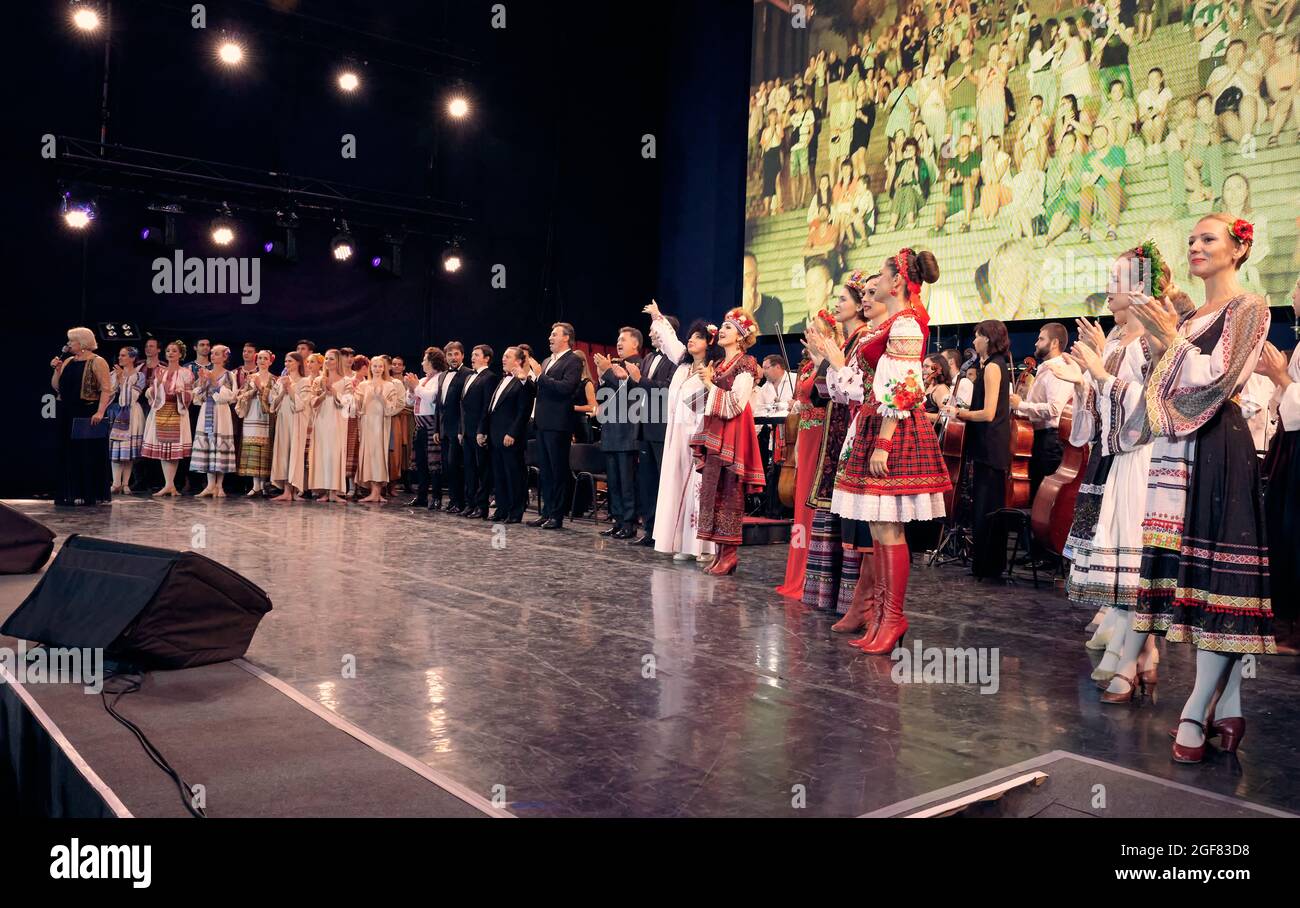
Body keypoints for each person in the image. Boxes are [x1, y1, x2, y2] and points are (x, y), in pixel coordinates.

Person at [1117, 214, 1273, 763]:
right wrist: (1165, 336)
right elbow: (1168, 380)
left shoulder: (1249, 307)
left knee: (1219, 579)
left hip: (1218, 448)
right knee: (1199, 582)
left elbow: (1222, 376)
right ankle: (1228, 710)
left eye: (1208, 239)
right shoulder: (1192, 313)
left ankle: (1196, 705)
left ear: (1238, 249)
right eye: (1191, 240)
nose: (1197, 247)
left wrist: (1171, 339)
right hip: (1178, 453)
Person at [1059, 244, 1192, 679]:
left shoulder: (1152, 342)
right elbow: (1102, 411)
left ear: (1138, 288)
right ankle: (1126, 639)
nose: (1108, 290)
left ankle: (1135, 645)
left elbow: (1154, 408)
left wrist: (1099, 376)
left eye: (1116, 281)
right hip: (1123, 455)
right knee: (1118, 546)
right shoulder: (1123, 341)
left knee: (1134, 552)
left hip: (1144, 456)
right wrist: (1088, 380)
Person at [824, 249, 950, 654]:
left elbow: (905, 388)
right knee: (879, 527)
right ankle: (880, 615)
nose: (875, 281)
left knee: (889, 526)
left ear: (897, 281)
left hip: (892, 430)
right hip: (878, 422)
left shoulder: (907, 325)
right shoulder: (896, 321)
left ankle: (892, 617)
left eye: (881, 274)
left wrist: (883, 442)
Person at [690, 308, 766, 575]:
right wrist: (704, 386)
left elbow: (736, 403)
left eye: (729, 327)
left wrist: (710, 385)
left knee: (730, 490)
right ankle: (719, 552)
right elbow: (710, 397)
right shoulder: (720, 364)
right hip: (716, 431)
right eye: (722, 326)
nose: (722, 330)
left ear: (741, 336)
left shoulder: (746, 363)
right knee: (714, 490)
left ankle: (730, 553)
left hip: (732, 433)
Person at [644, 305, 721, 563]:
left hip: (698, 434)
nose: (691, 339)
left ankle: (703, 547)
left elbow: (710, 403)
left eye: (698, 336)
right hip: (675, 434)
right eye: (690, 336)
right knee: (676, 485)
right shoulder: (681, 365)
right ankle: (681, 542)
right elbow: (669, 340)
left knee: (697, 489)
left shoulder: (713, 372)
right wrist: (658, 316)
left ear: (710, 342)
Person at [776, 309, 838, 597]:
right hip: (806, 435)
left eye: (815, 329)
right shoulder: (804, 367)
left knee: (815, 504)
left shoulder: (832, 363)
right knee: (801, 503)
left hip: (824, 435)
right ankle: (797, 572)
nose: (808, 334)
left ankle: (812, 575)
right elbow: (803, 404)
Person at [1256, 276, 1300, 654]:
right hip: (1290, 443)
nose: (1293, 294)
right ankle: (1286, 623)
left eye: (1297, 288)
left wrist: (1280, 376)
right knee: (1284, 531)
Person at [949, 319, 1012, 579]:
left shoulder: (993, 367)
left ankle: (988, 565)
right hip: (986, 445)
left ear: (987, 338)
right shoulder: (987, 365)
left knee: (988, 505)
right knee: (983, 504)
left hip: (991, 445)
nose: (973, 341)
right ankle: (985, 563)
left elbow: (988, 413)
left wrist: (960, 413)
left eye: (977, 336)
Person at [530, 323, 586, 529]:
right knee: (545, 470)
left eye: (554, 335)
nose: (550, 338)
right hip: (543, 422)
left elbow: (566, 388)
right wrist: (532, 379)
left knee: (557, 469)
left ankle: (557, 514)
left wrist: (541, 377)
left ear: (566, 338)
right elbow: (541, 389)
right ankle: (546, 511)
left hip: (558, 423)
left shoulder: (573, 360)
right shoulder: (547, 361)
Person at [1008, 322, 1072, 500]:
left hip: (1050, 440)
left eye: (1041, 338)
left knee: (1044, 498)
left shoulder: (1056, 370)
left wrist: (1021, 405)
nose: (1036, 343)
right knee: (1037, 495)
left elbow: (1054, 409)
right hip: (1042, 439)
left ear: (1054, 343)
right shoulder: (1046, 369)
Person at [51, 327, 112, 506]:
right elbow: (56, 386)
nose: (69, 344)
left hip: (87, 411)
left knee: (86, 452)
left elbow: (106, 388)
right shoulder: (69, 361)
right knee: (68, 452)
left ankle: (89, 494)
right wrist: (57, 369)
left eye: (72, 341)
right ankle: (69, 493)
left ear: (82, 343)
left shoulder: (97, 361)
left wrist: (100, 411)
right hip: (67, 411)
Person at [593, 329, 645, 538]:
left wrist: (607, 373)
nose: (619, 343)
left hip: (627, 431)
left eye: (623, 339)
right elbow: (604, 397)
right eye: (617, 340)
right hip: (611, 430)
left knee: (626, 481)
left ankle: (629, 523)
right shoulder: (615, 366)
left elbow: (632, 392)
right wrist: (602, 378)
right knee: (613, 480)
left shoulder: (639, 364)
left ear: (636, 343)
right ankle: (617, 519)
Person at [630, 323, 677, 547]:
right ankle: (649, 529)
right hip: (645, 426)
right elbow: (642, 388)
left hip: (662, 427)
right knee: (647, 481)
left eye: (654, 330)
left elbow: (667, 389)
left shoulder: (676, 360)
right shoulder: (648, 358)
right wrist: (628, 378)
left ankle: (664, 532)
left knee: (662, 481)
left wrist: (641, 380)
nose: (649, 334)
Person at [483, 347, 536, 523]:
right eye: (503, 356)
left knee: (514, 475)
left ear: (519, 361)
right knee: (499, 474)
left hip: (510, 436)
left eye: (508, 356)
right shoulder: (503, 379)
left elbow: (524, 410)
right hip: (495, 435)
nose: (503, 359)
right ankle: (502, 509)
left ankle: (515, 512)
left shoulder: (522, 382)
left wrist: (512, 432)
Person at [141, 341, 194, 497]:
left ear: (180, 354)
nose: (170, 353)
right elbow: (151, 393)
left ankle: (171, 484)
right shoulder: (161, 372)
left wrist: (181, 393)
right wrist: (154, 387)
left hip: (177, 412)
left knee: (173, 449)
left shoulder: (186, 372)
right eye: (168, 350)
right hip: (161, 411)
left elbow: (192, 394)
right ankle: (168, 484)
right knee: (164, 449)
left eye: (174, 351)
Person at [353, 355, 405, 504]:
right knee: (369, 455)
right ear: (370, 368)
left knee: (379, 455)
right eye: (374, 366)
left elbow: (392, 408)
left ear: (384, 368)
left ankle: (377, 491)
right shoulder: (364, 385)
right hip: (367, 424)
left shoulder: (389, 386)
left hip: (381, 425)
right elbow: (358, 407)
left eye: (380, 366)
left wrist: (381, 398)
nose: (377, 369)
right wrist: (360, 399)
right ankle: (372, 491)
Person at [189, 344, 238, 498]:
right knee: (208, 444)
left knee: (219, 445)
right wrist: (203, 383)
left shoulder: (229, 375)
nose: (213, 356)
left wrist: (214, 383)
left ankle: (219, 486)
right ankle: (210, 485)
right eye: (212, 353)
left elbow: (231, 396)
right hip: (207, 411)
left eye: (217, 354)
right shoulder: (206, 373)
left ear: (224, 357)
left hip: (221, 412)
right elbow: (197, 395)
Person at [459, 344, 497, 519]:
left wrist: (482, 431)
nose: (472, 358)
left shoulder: (489, 377)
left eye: (476, 355)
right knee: (469, 469)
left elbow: (486, 407)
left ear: (486, 358)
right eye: (472, 355)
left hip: (478, 432)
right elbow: (463, 407)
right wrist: (461, 429)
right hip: (467, 431)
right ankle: (470, 503)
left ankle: (482, 506)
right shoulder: (469, 377)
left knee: (482, 469)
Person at [309, 349, 352, 503]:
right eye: (326, 359)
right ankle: (325, 491)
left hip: (337, 421)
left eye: (331, 359)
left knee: (334, 453)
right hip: (321, 419)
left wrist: (334, 392)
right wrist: (323, 394)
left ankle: (334, 491)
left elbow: (348, 403)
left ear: (338, 361)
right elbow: (312, 402)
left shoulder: (346, 381)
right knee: (323, 453)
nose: (328, 361)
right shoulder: (318, 380)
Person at [406, 347, 446, 509]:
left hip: (431, 424)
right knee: (421, 462)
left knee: (434, 464)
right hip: (420, 425)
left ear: (431, 362)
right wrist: (410, 389)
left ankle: (436, 497)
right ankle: (421, 496)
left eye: (424, 360)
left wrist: (416, 387)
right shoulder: (422, 380)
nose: (422, 362)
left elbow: (432, 398)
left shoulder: (439, 379)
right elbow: (409, 402)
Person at [269, 352, 311, 503]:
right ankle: (286, 491)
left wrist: (291, 389)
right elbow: (273, 405)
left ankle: (294, 490)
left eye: (290, 361)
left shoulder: (305, 382)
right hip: (283, 420)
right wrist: (283, 389)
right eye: (286, 361)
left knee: (295, 453)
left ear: (298, 363)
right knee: (284, 453)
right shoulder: (281, 381)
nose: (287, 364)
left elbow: (302, 405)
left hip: (296, 421)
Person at [234, 350, 275, 496]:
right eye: (260, 358)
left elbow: (273, 400)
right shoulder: (250, 377)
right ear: (256, 361)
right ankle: (255, 485)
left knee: (263, 450)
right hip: (252, 415)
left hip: (265, 418)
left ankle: (263, 485)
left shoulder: (273, 379)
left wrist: (261, 388)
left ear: (270, 361)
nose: (262, 361)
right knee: (252, 449)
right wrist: (250, 392)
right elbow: (241, 395)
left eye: (266, 358)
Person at [436, 342, 470, 513]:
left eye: (456, 354)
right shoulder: (442, 376)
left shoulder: (468, 374)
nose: (453, 358)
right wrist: (436, 428)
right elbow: (439, 405)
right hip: (444, 429)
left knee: (456, 465)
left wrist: (461, 430)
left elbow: (466, 406)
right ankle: (453, 500)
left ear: (462, 355)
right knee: (448, 467)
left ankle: (461, 502)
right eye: (450, 355)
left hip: (458, 429)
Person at [107, 346, 146, 495]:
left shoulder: (139, 376)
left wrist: (123, 380)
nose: (120, 358)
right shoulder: (113, 374)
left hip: (132, 412)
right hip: (117, 412)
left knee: (128, 451)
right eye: (119, 355)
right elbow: (109, 394)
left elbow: (132, 397)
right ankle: (116, 483)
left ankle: (125, 483)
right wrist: (116, 381)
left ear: (132, 358)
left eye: (123, 356)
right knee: (117, 448)